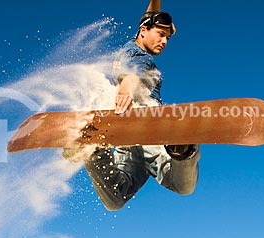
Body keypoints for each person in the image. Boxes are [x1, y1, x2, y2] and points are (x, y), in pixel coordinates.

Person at [65, 1, 200, 211]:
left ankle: (93, 151)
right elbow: (133, 72)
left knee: (115, 199)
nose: (164, 41)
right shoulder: (137, 54)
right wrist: (127, 88)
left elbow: (148, 18)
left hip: (128, 141)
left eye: (168, 38)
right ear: (144, 31)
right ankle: (181, 148)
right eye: (161, 34)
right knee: (184, 185)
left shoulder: (130, 46)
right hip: (151, 130)